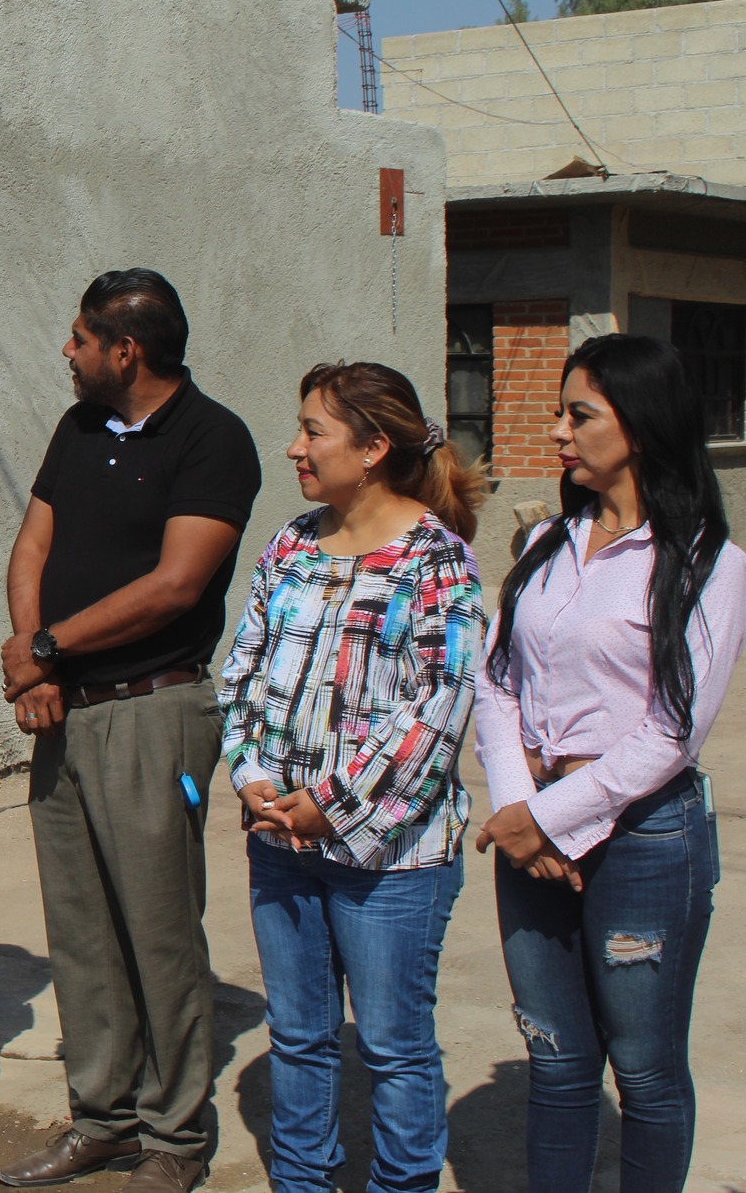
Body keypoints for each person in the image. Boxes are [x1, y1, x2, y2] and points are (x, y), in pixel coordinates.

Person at [0, 269, 261, 1193]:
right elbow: (30, 546)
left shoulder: (212, 439)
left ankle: (175, 1136)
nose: (65, 353)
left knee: (158, 930)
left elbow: (178, 585)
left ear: (126, 350)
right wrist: (38, 666)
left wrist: (46, 647)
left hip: (154, 711)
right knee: (80, 928)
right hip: (64, 712)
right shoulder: (78, 430)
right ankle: (100, 1117)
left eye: (78, 339)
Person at [474, 334, 746, 1193]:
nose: (557, 430)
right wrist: (522, 811)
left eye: (578, 413)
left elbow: (672, 732)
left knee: (645, 1068)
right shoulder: (546, 542)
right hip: (533, 835)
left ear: (640, 423)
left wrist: (548, 817)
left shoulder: (709, 563)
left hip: (644, 840)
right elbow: (495, 682)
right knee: (555, 1061)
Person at [220, 362, 487, 1193]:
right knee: (298, 1036)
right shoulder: (292, 545)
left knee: (394, 1047)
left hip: (392, 862)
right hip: (280, 841)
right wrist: (253, 775)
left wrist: (331, 807)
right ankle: (302, 1182)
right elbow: (241, 674)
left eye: (314, 431)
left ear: (372, 448)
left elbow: (437, 715)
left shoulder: (438, 563)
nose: (295, 447)